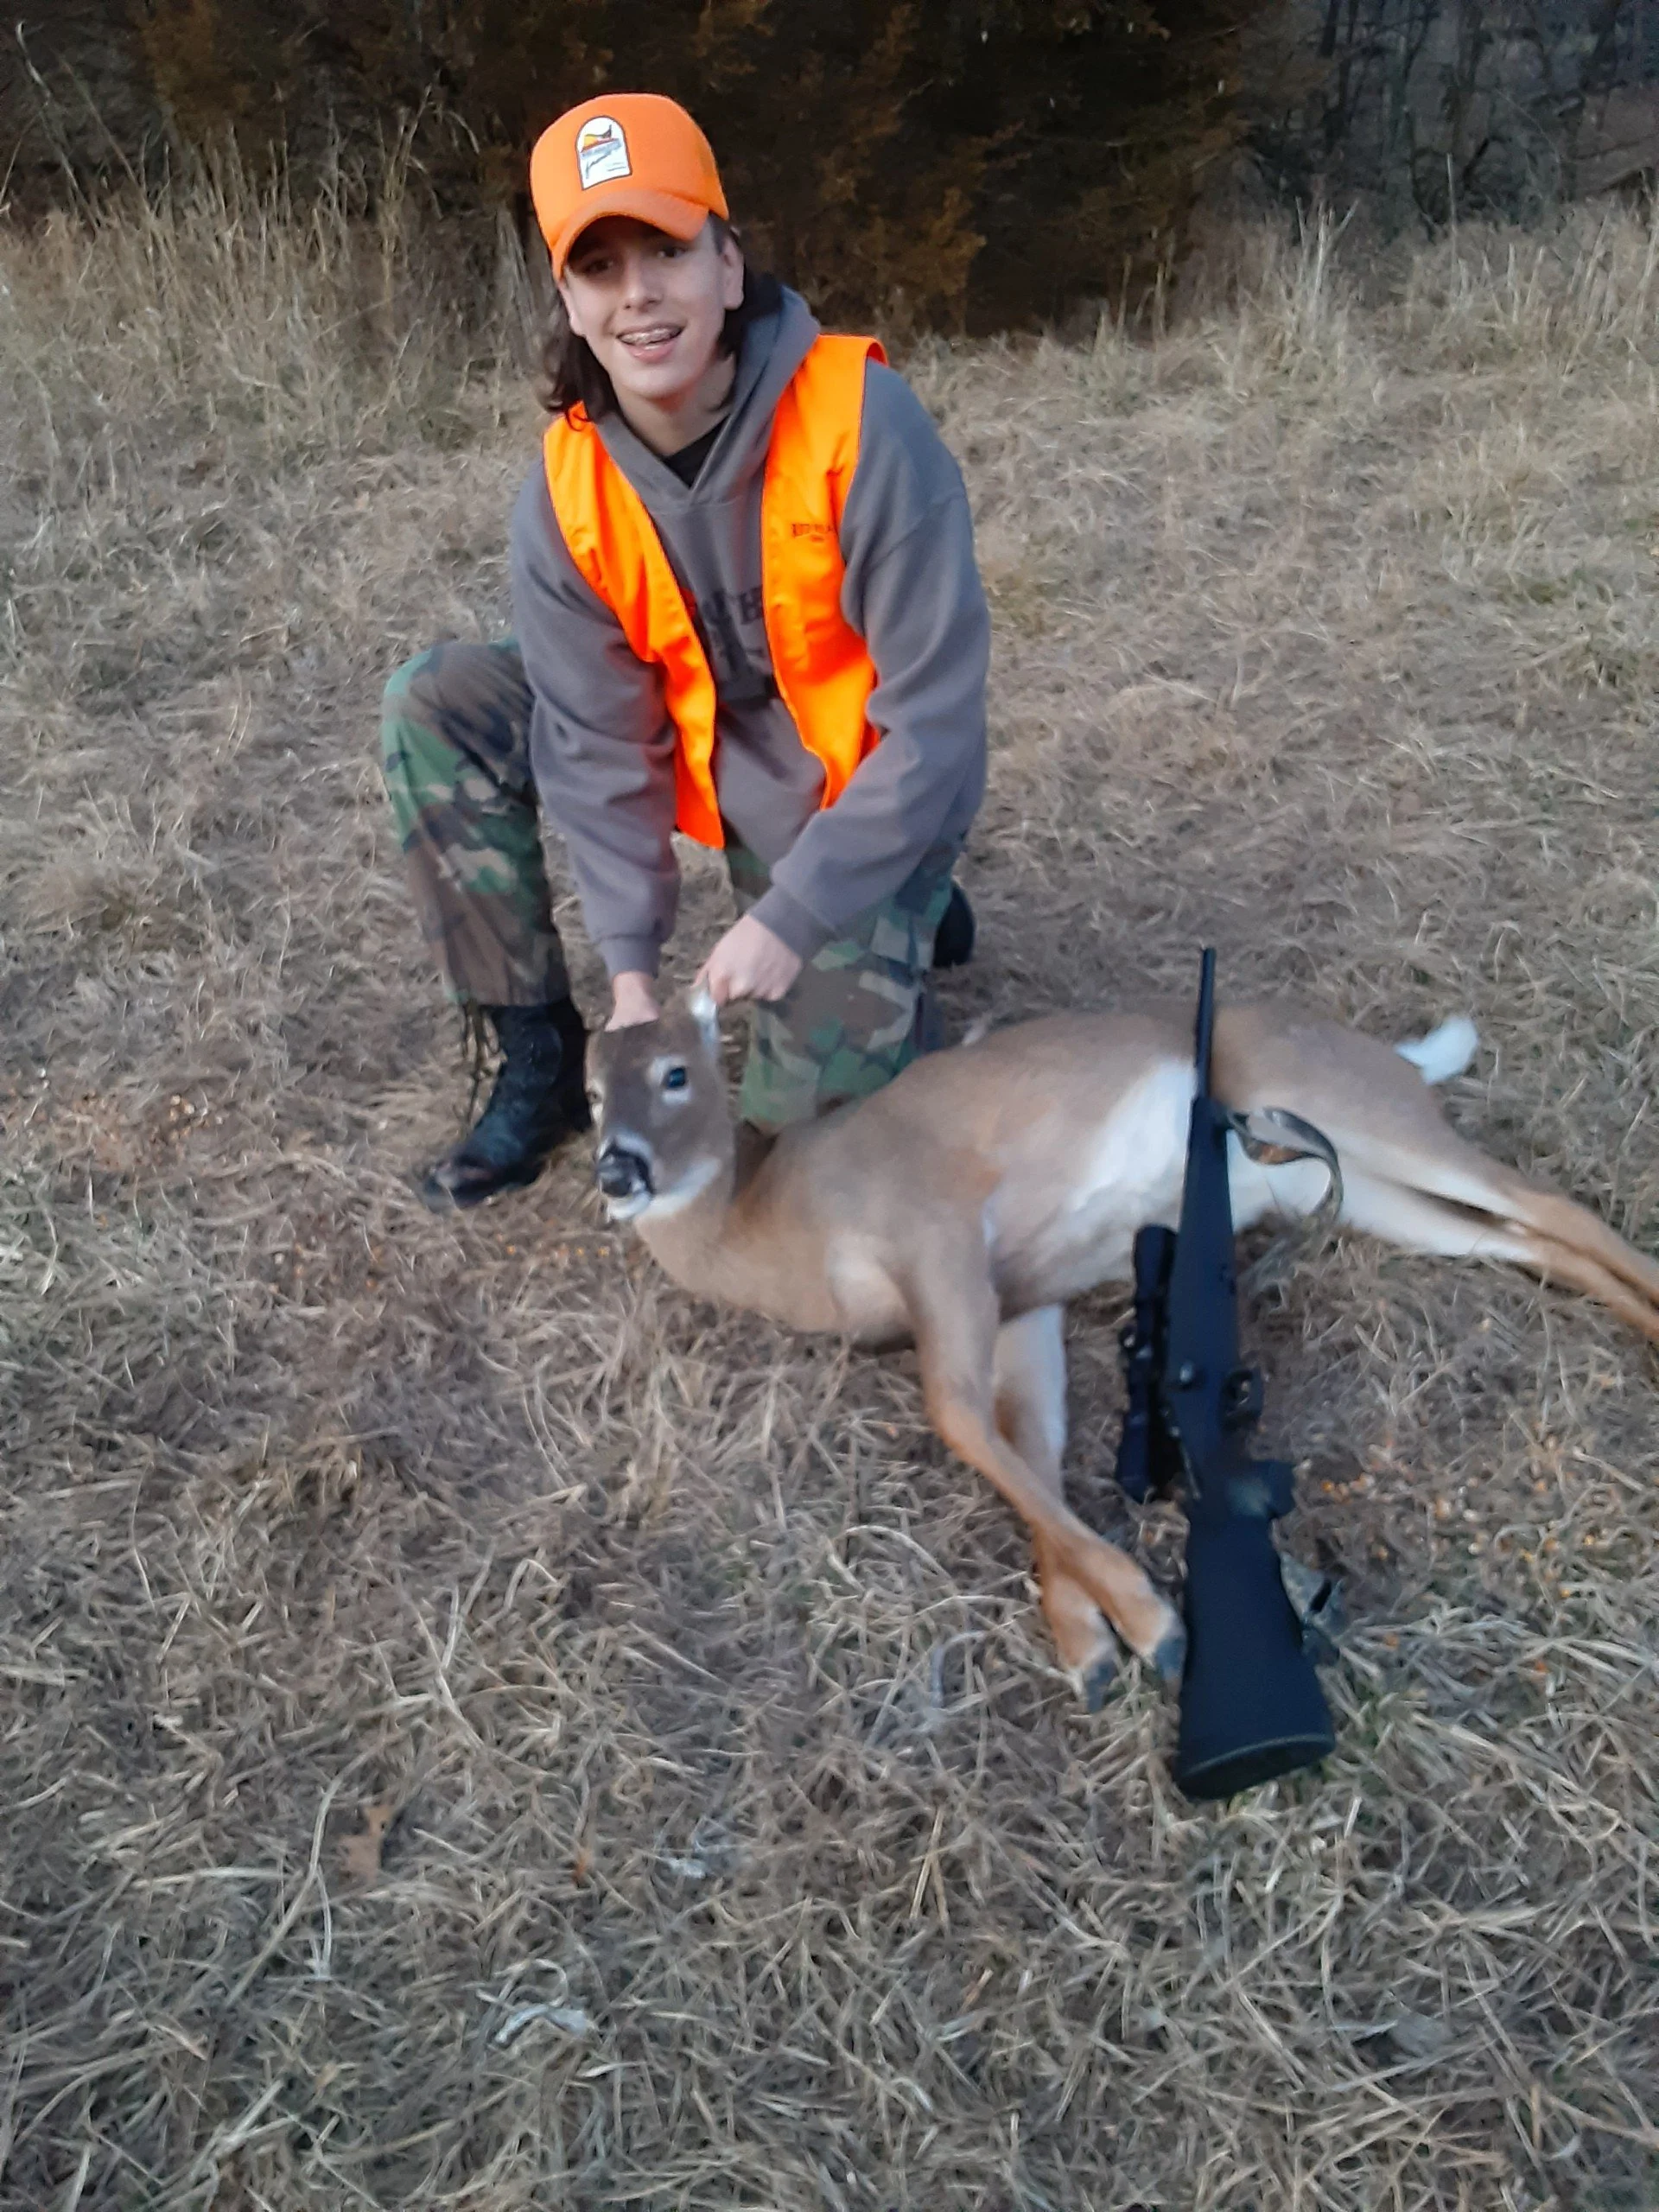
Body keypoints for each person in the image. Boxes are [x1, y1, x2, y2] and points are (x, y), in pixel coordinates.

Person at [382, 92, 989, 1211]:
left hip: (845, 786)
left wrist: (797, 914)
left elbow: (936, 729)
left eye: (666, 249)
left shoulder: (866, 426)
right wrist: (630, 984)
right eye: (600, 268)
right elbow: (598, 744)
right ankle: (539, 1057)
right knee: (440, 702)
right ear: (567, 300)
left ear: (729, 263)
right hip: (691, 739)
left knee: (798, 1157)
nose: (639, 296)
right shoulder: (567, 493)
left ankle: (901, 914)